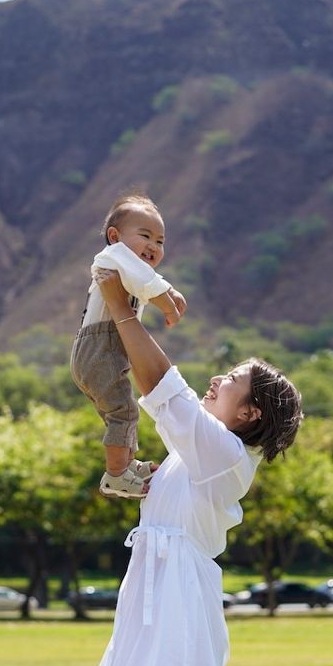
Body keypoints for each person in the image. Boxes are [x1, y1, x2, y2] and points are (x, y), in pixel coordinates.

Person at [84, 269, 303, 666]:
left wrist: (118, 306)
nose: (218, 380)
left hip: (176, 593)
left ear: (250, 413)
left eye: (233, 381)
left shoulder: (226, 455)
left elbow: (162, 385)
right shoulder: (203, 454)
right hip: (156, 583)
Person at [71, 194, 187, 499]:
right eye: (145, 236)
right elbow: (145, 282)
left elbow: (146, 280)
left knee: (119, 411)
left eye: (160, 241)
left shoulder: (128, 268)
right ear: (115, 237)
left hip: (102, 351)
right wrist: (168, 303)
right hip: (100, 348)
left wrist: (169, 291)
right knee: (123, 412)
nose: (154, 246)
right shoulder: (111, 258)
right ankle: (117, 475)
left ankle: (125, 464)